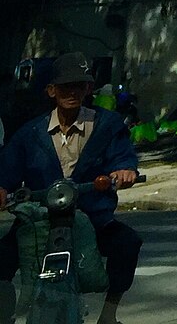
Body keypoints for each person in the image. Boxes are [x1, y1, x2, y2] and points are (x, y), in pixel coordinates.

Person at [0, 51, 142, 324]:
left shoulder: (107, 125)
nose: (72, 92)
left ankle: (109, 315)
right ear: (51, 91)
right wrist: (2, 188)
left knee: (128, 243)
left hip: (93, 218)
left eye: (79, 85)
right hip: (39, 219)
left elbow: (123, 157)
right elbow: (7, 170)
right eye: (65, 86)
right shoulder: (30, 133)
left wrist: (125, 171)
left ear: (88, 88)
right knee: (1, 257)